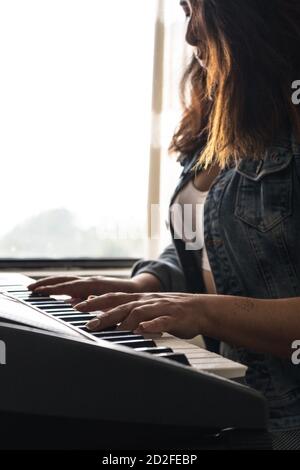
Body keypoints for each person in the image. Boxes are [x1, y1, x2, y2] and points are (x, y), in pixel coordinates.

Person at [29, 0, 300, 441]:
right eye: (183, 9)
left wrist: (202, 311)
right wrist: (146, 285)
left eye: (199, 9)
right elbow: (211, 243)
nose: (191, 34)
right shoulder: (225, 110)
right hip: (241, 409)